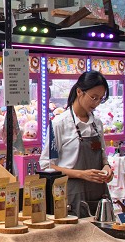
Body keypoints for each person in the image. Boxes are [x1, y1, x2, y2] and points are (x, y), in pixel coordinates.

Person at [40, 70, 113, 218]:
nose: (97, 103)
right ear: (79, 92)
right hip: (72, 196)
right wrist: (81, 174)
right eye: (93, 97)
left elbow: (104, 158)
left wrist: (107, 169)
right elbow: (47, 165)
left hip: (99, 194)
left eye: (100, 99)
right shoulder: (59, 124)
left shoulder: (97, 124)